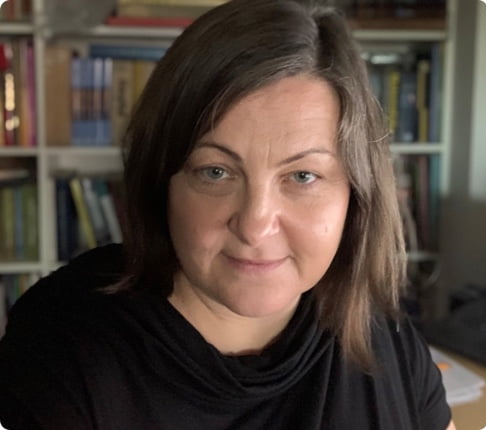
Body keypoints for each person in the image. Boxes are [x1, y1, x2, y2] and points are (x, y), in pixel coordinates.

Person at [0, 0, 455, 428]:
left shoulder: (384, 333)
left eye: (302, 176)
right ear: (163, 182)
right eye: (215, 171)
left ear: (356, 194)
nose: (255, 224)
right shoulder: (60, 347)